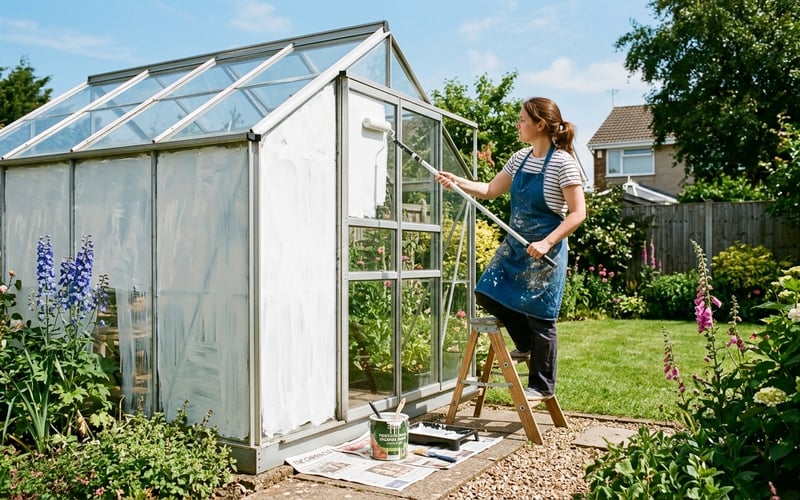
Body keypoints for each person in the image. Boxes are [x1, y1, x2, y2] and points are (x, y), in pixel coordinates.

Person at [436, 97, 586, 400]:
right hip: (515, 245)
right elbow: (491, 190)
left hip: (545, 249)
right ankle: (527, 344)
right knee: (486, 292)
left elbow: (578, 213)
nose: (517, 124)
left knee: (542, 316)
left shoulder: (563, 162)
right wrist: (457, 182)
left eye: (522, 120)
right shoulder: (520, 158)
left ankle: (542, 385)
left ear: (539, 124)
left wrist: (547, 242)